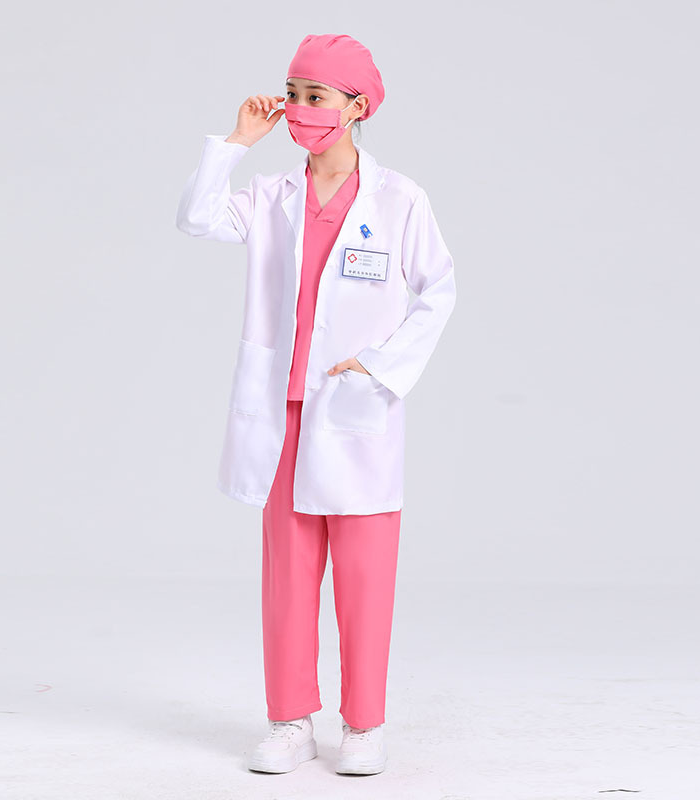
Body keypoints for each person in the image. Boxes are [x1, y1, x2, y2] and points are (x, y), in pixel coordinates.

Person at [175, 33, 456, 776]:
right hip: (284, 418)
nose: (300, 109)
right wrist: (237, 141)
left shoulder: (399, 199)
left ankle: (363, 725)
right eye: (293, 93)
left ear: (357, 107)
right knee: (288, 582)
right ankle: (289, 721)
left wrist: (382, 366)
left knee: (365, 581)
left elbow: (440, 291)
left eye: (316, 96)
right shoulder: (273, 197)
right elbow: (197, 217)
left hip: (356, 412)